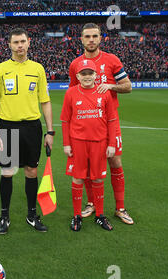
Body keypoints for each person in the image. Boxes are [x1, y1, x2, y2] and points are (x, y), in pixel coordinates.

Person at [0, 28, 54, 234]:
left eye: (22, 41)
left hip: (32, 127)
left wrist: (50, 132)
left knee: (31, 171)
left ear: (29, 43)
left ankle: (32, 214)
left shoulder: (37, 69)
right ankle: (4, 216)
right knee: (7, 172)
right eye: (15, 42)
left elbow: (45, 101)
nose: (19, 45)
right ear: (9, 44)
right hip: (7, 126)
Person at [68, 23, 134, 225]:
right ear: (81, 39)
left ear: (100, 38)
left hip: (108, 122)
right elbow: (72, 94)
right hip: (86, 125)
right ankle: (91, 204)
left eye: (95, 36)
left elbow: (128, 86)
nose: (91, 40)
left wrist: (110, 86)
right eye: (87, 36)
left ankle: (120, 208)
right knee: (87, 165)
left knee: (115, 161)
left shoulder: (111, 60)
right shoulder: (75, 64)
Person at [61, 59, 117, 231]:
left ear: (96, 75)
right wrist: (66, 143)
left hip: (99, 143)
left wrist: (112, 143)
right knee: (78, 178)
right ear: (77, 75)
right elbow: (65, 120)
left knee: (98, 178)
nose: (86, 77)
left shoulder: (104, 93)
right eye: (83, 74)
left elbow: (112, 120)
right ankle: (77, 215)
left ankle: (99, 215)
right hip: (77, 143)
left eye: (90, 73)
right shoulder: (70, 93)